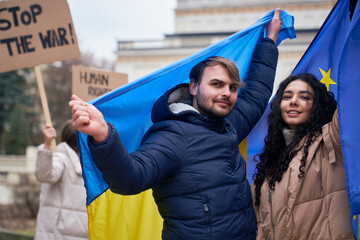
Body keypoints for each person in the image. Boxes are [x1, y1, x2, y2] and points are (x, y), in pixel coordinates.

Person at [69, 9, 282, 239]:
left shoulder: (229, 126)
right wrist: (103, 136)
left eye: (232, 87)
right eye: (217, 84)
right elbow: (130, 178)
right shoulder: (172, 135)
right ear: (193, 87)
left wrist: (269, 40)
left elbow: (257, 94)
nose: (226, 93)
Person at [252, 73, 355, 239]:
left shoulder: (331, 141)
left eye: (304, 97)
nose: (293, 101)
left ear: (317, 106)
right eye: (287, 96)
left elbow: (352, 95)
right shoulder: (269, 163)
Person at [34, 120, 88, 240]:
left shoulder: (86, 164)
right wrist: (47, 146)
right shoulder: (60, 158)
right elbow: (44, 175)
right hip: (56, 233)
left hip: (79, 232)